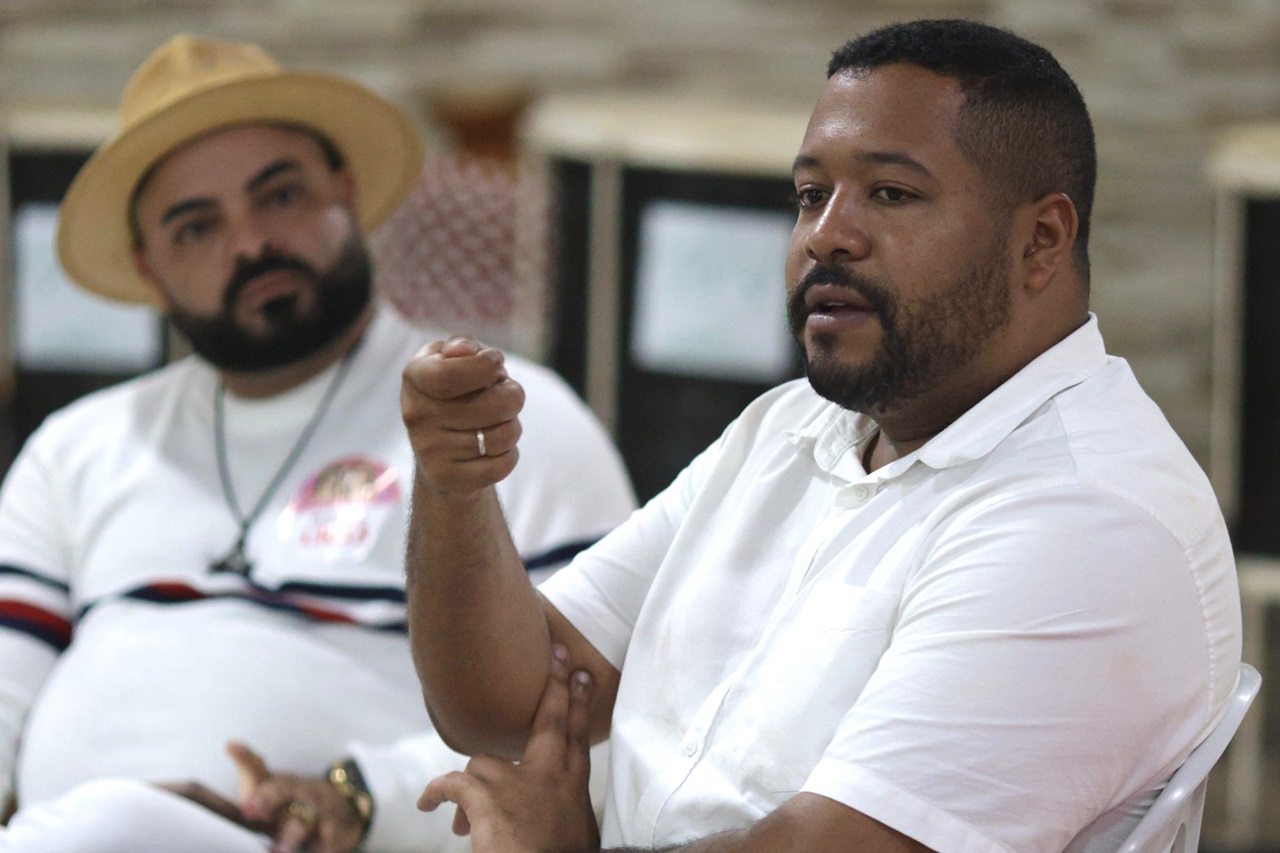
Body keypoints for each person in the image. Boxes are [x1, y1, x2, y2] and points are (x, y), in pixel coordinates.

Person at [400, 18, 1243, 853]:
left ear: (1041, 241)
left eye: (891, 193)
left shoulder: (1087, 516)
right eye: (810, 194)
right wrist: (455, 486)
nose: (825, 236)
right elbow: (503, 704)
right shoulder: (790, 428)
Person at [0, 33, 635, 853]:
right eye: (196, 228)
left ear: (346, 191)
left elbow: (595, 711)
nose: (252, 241)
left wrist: (362, 795)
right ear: (147, 269)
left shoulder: (504, 414)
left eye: (280, 196)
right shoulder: (76, 447)